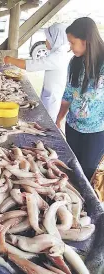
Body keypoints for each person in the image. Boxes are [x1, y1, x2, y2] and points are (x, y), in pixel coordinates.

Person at [56, 17, 104, 180]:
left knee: (88, 173)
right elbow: (68, 93)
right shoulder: (74, 63)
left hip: (96, 132)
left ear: (86, 41)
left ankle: (85, 204)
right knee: (72, 168)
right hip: (73, 126)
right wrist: (59, 119)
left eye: (72, 43)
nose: (70, 48)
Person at [4, 23, 70, 122]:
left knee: (48, 122)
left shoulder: (58, 57)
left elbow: (33, 65)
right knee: (43, 119)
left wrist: (10, 59)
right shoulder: (57, 53)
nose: (45, 41)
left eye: (48, 38)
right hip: (49, 95)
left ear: (55, 39)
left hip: (52, 99)